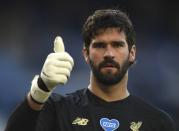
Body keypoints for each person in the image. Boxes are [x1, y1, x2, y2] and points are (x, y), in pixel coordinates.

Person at [5, 9, 176, 131]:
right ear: (86, 54)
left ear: (132, 53)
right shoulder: (58, 110)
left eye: (117, 45)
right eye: (100, 45)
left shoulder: (157, 122)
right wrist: (40, 90)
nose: (109, 53)